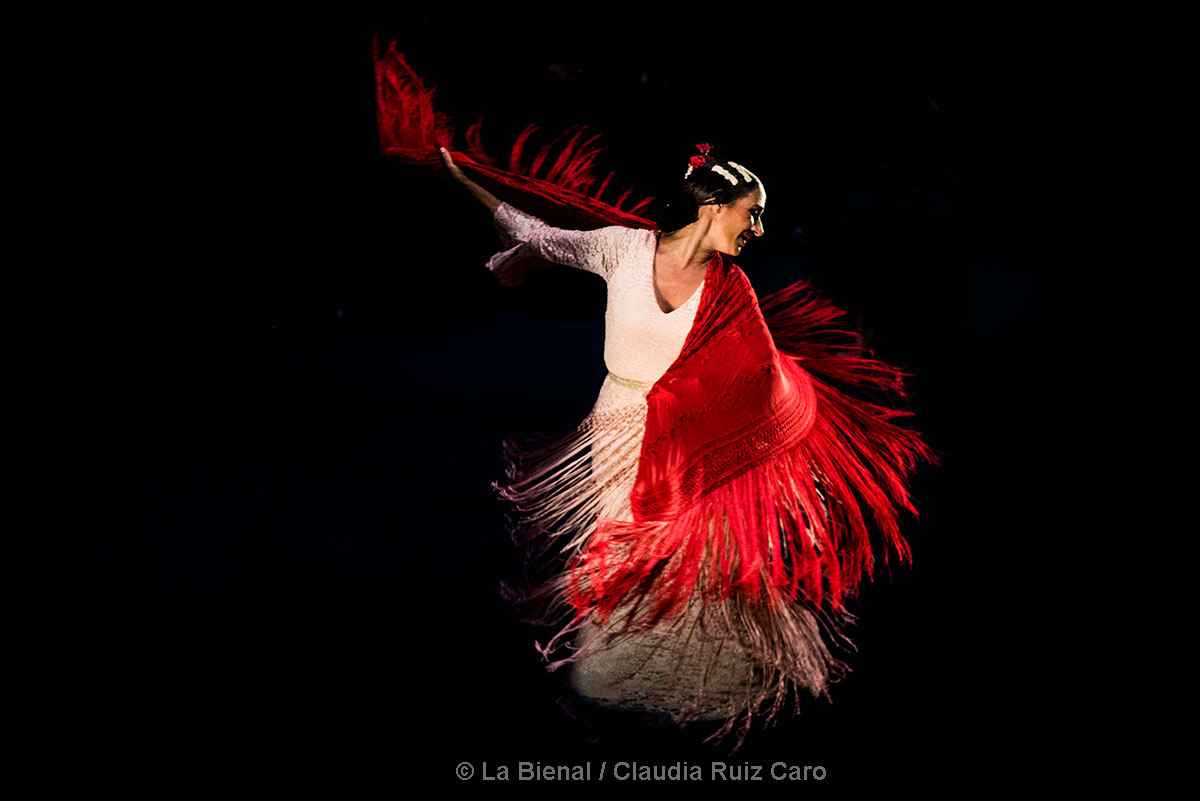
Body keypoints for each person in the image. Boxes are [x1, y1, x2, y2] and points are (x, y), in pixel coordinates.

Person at [373, 42, 936, 748]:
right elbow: (538, 230)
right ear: (712, 206)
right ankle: (618, 680)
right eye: (750, 214)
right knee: (626, 553)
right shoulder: (622, 250)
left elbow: (763, 384)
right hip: (621, 426)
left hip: (696, 442)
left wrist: (790, 476)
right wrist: (464, 175)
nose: (756, 230)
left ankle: (701, 684)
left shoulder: (733, 292)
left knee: (702, 564)